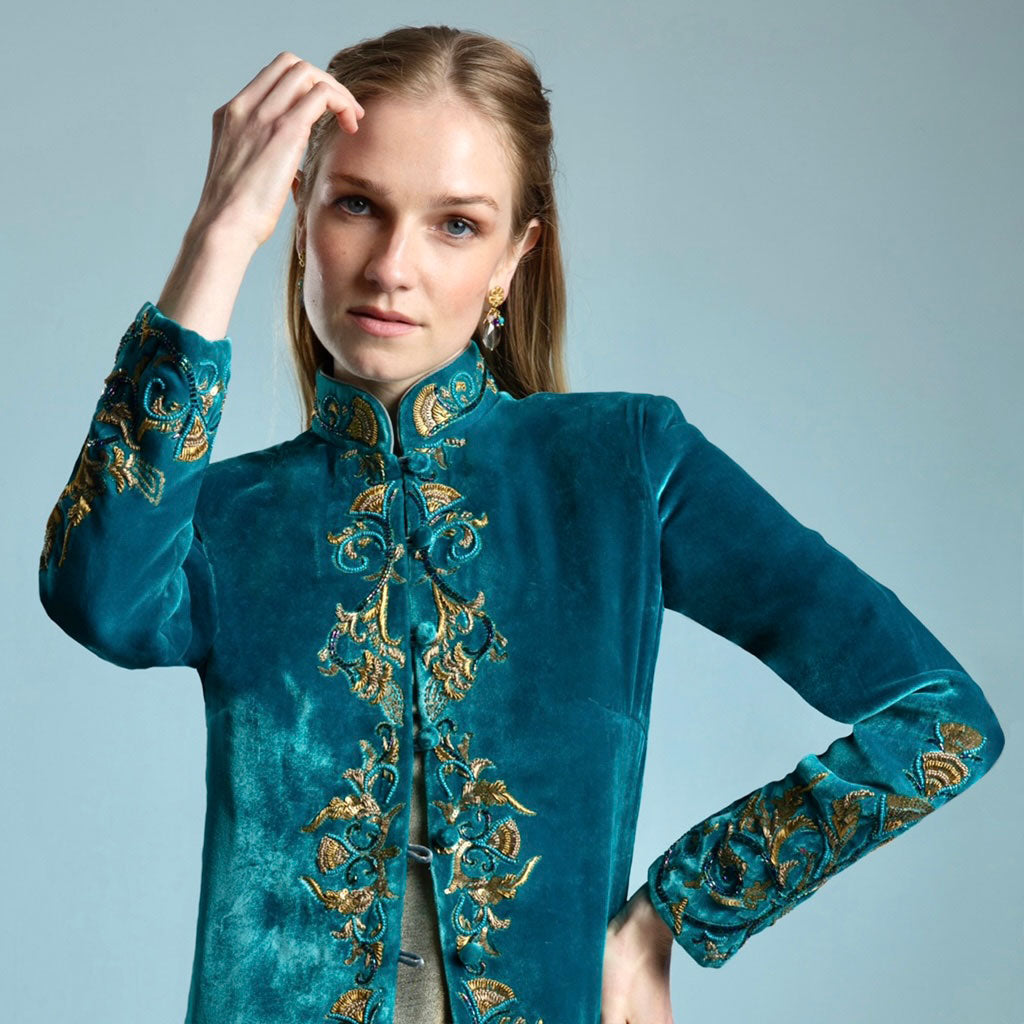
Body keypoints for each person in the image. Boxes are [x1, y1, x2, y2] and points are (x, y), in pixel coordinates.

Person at [38, 24, 1005, 1024]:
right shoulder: (226, 516)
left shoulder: (625, 465)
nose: (392, 267)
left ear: (514, 256)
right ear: (299, 214)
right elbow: (96, 597)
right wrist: (218, 234)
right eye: (356, 205)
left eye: (456, 224)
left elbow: (941, 718)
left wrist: (676, 911)